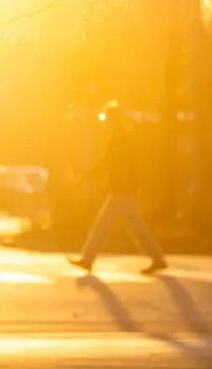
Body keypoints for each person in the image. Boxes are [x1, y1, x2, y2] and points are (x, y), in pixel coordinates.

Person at [68, 103, 168, 276]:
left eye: (106, 120)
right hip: (124, 190)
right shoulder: (122, 137)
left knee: (104, 225)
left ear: (112, 120)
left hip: (121, 191)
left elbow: (109, 163)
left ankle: (88, 259)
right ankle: (157, 259)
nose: (104, 124)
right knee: (135, 228)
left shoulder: (119, 139)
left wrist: (88, 177)